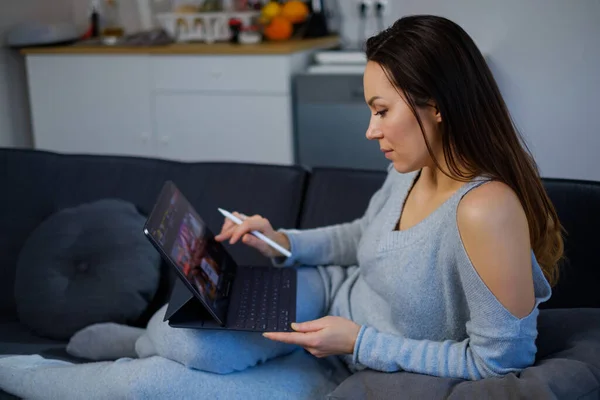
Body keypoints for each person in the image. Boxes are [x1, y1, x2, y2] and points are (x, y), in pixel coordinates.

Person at [0, 14, 563, 399]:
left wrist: (359, 342)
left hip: (344, 356)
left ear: (436, 107)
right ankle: (148, 342)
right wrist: (283, 240)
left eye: (381, 109)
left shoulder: (484, 212)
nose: (370, 131)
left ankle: (16, 369)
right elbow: (360, 237)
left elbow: (501, 363)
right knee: (180, 332)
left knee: (146, 387)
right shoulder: (412, 167)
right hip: (325, 297)